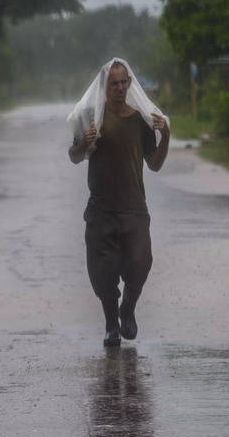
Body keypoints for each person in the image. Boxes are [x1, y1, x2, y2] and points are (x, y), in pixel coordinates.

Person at [67, 58, 170, 347]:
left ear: (130, 82)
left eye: (124, 82)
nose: (120, 87)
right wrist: (83, 144)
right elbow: (74, 156)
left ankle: (128, 310)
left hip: (134, 209)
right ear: (105, 85)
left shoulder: (140, 118)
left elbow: (155, 165)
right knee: (103, 273)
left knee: (140, 263)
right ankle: (112, 325)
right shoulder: (92, 116)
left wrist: (166, 137)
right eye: (114, 83)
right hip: (101, 210)